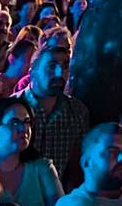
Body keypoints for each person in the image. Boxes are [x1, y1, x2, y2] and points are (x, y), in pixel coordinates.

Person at [21, 40, 90, 190]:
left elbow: (75, 167)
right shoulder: (13, 107)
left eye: (65, 67)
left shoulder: (76, 111)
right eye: (51, 67)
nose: (60, 73)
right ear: (32, 72)